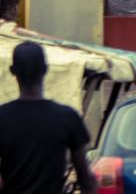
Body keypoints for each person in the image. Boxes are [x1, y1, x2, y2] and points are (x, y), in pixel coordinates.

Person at [0, 42, 95, 194]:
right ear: (46, 69)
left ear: (12, 71)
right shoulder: (67, 117)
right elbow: (85, 179)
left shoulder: (2, 117)